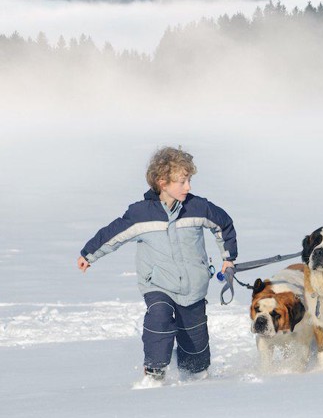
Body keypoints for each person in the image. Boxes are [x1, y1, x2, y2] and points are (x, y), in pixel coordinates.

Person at [77, 146, 237, 383]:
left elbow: (223, 224)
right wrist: (89, 254)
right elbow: (114, 234)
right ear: (163, 182)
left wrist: (228, 258)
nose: (188, 187)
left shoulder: (197, 207)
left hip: (193, 285)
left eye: (189, 180)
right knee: (159, 317)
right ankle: (154, 371)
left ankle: (195, 377)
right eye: (182, 181)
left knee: (195, 353)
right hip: (158, 283)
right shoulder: (141, 213)